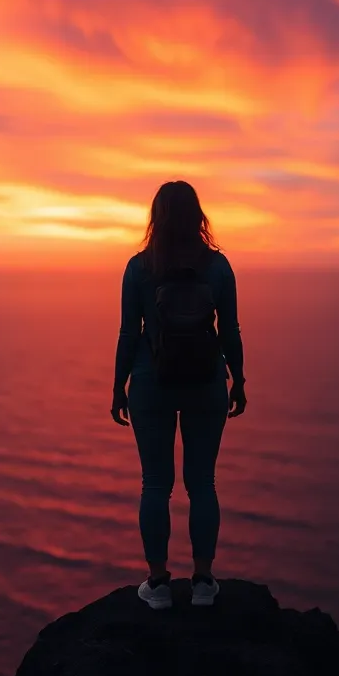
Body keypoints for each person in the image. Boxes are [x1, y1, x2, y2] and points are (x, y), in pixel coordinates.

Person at [111, 181, 246, 610]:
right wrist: (238, 380)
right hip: (207, 380)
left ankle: (158, 585)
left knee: (156, 485)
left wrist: (118, 385)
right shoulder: (219, 267)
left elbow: (130, 332)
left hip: (152, 382)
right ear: (198, 216)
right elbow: (230, 332)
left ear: (157, 217)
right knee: (202, 483)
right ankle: (204, 582)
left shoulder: (138, 268)